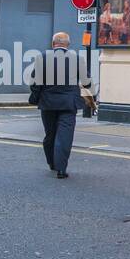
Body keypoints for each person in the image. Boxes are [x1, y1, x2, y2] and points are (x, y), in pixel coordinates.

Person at [29, 33, 87, 179]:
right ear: (68, 44)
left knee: (50, 134)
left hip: (48, 103)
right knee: (64, 136)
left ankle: (52, 163)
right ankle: (61, 169)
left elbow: (35, 82)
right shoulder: (77, 59)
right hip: (68, 104)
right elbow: (87, 81)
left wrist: (36, 97)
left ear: (53, 43)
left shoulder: (42, 58)